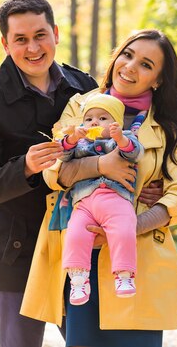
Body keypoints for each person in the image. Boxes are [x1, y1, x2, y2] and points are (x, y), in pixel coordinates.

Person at [0, 0, 160, 347]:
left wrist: (145, 185)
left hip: (82, 245)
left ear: (55, 33)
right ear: (6, 44)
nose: (33, 47)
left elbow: (123, 145)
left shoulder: (84, 87)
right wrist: (23, 167)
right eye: (20, 39)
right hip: (19, 252)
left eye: (40, 35)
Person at [21, 29, 177, 347]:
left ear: (157, 79)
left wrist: (131, 225)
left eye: (146, 64)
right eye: (127, 55)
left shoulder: (167, 127)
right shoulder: (80, 107)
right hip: (80, 255)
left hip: (139, 259)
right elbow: (53, 171)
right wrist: (100, 166)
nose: (130, 67)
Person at [59, 93, 144, 305]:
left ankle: (124, 275)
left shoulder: (123, 138)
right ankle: (78, 278)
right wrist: (71, 139)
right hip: (85, 201)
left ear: (115, 122)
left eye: (103, 118)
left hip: (115, 198)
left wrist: (120, 139)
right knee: (75, 233)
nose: (94, 122)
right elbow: (63, 156)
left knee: (124, 229)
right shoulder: (80, 143)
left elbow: (135, 153)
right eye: (89, 119)